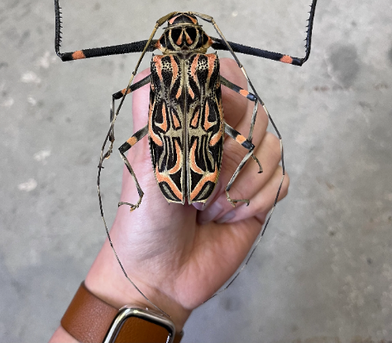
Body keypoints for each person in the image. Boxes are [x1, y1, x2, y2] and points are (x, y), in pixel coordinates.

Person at [49, 58, 289, 342]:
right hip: (189, 182)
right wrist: (150, 286)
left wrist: (146, 284)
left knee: (240, 138)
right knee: (244, 140)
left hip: (183, 183)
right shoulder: (185, 69)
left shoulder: (166, 68)